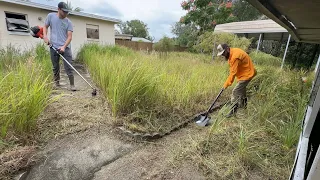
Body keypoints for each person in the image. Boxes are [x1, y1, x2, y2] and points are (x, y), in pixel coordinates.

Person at [217, 44, 257, 117]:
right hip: (244, 74)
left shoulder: (235, 56)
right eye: (222, 54)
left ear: (227, 49)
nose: (223, 55)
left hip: (247, 74)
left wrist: (226, 85)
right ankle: (244, 108)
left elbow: (233, 73)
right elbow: (233, 70)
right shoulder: (232, 53)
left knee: (235, 92)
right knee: (241, 91)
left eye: (223, 53)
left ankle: (232, 112)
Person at [43, 2, 76, 91]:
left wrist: (64, 47)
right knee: (55, 66)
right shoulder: (50, 16)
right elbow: (45, 27)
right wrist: (45, 36)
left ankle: (72, 85)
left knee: (69, 66)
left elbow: (69, 37)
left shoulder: (68, 22)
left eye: (67, 12)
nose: (66, 14)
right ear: (58, 9)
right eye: (64, 11)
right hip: (53, 46)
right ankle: (57, 83)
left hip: (65, 47)